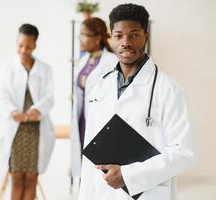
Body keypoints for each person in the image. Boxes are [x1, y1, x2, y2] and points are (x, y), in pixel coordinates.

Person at [78, 3, 195, 200]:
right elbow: (90, 154)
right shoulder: (100, 87)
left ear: (146, 36)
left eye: (134, 34)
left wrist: (128, 175)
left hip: (147, 194)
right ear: (111, 38)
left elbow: (183, 153)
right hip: (102, 193)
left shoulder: (169, 90)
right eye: (118, 36)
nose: (125, 42)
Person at [0, 24, 55, 200]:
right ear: (16, 42)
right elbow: (2, 95)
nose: (23, 50)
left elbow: (49, 98)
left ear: (35, 45)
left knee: (31, 178)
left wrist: (35, 111)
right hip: (16, 130)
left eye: (28, 46)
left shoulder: (45, 69)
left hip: (36, 131)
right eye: (20, 45)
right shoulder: (7, 68)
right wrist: (13, 112)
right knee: (17, 178)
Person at [71, 17, 118, 178]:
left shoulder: (112, 62)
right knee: (85, 170)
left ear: (98, 38)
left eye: (84, 35)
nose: (80, 39)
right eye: (79, 35)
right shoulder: (83, 60)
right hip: (82, 121)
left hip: (100, 122)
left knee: (98, 172)